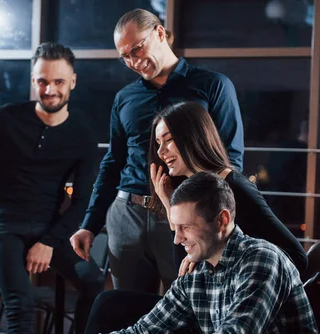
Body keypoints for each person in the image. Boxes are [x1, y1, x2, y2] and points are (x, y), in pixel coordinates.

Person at [14, 172, 320, 334]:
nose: (176, 239)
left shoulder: (261, 260)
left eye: (185, 228)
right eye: (174, 228)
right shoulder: (197, 273)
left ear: (222, 220)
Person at [69, 8, 244, 294]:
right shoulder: (125, 98)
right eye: (125, 56)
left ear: (160, 33)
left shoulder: (213, 86)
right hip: (127, 213)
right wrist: (90, 224)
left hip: (185, 215)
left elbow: (231, 160)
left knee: (189, 305)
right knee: (128, 311)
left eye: (136, 49)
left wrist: (210, 222)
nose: (133, 62)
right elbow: (113, 162)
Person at [0, 42, 101, 334]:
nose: (49, 90)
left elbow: (83, 199)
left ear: (72, 81)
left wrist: (48, 241)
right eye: (42, 81)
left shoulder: (83, 133)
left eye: (58, 81)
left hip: (51, 227)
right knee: (22, 303)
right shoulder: (4, 118)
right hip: (3, 224)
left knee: (94, 282)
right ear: (33, 81)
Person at [150, 101, 307, 273]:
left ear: (194, 137)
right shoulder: (189, 192)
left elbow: (296, 257)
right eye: (158, 143)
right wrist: (168, 204)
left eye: (169, 140)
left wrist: (215, 254)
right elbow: (184, 274)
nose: (160, 152)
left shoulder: (235, 187)